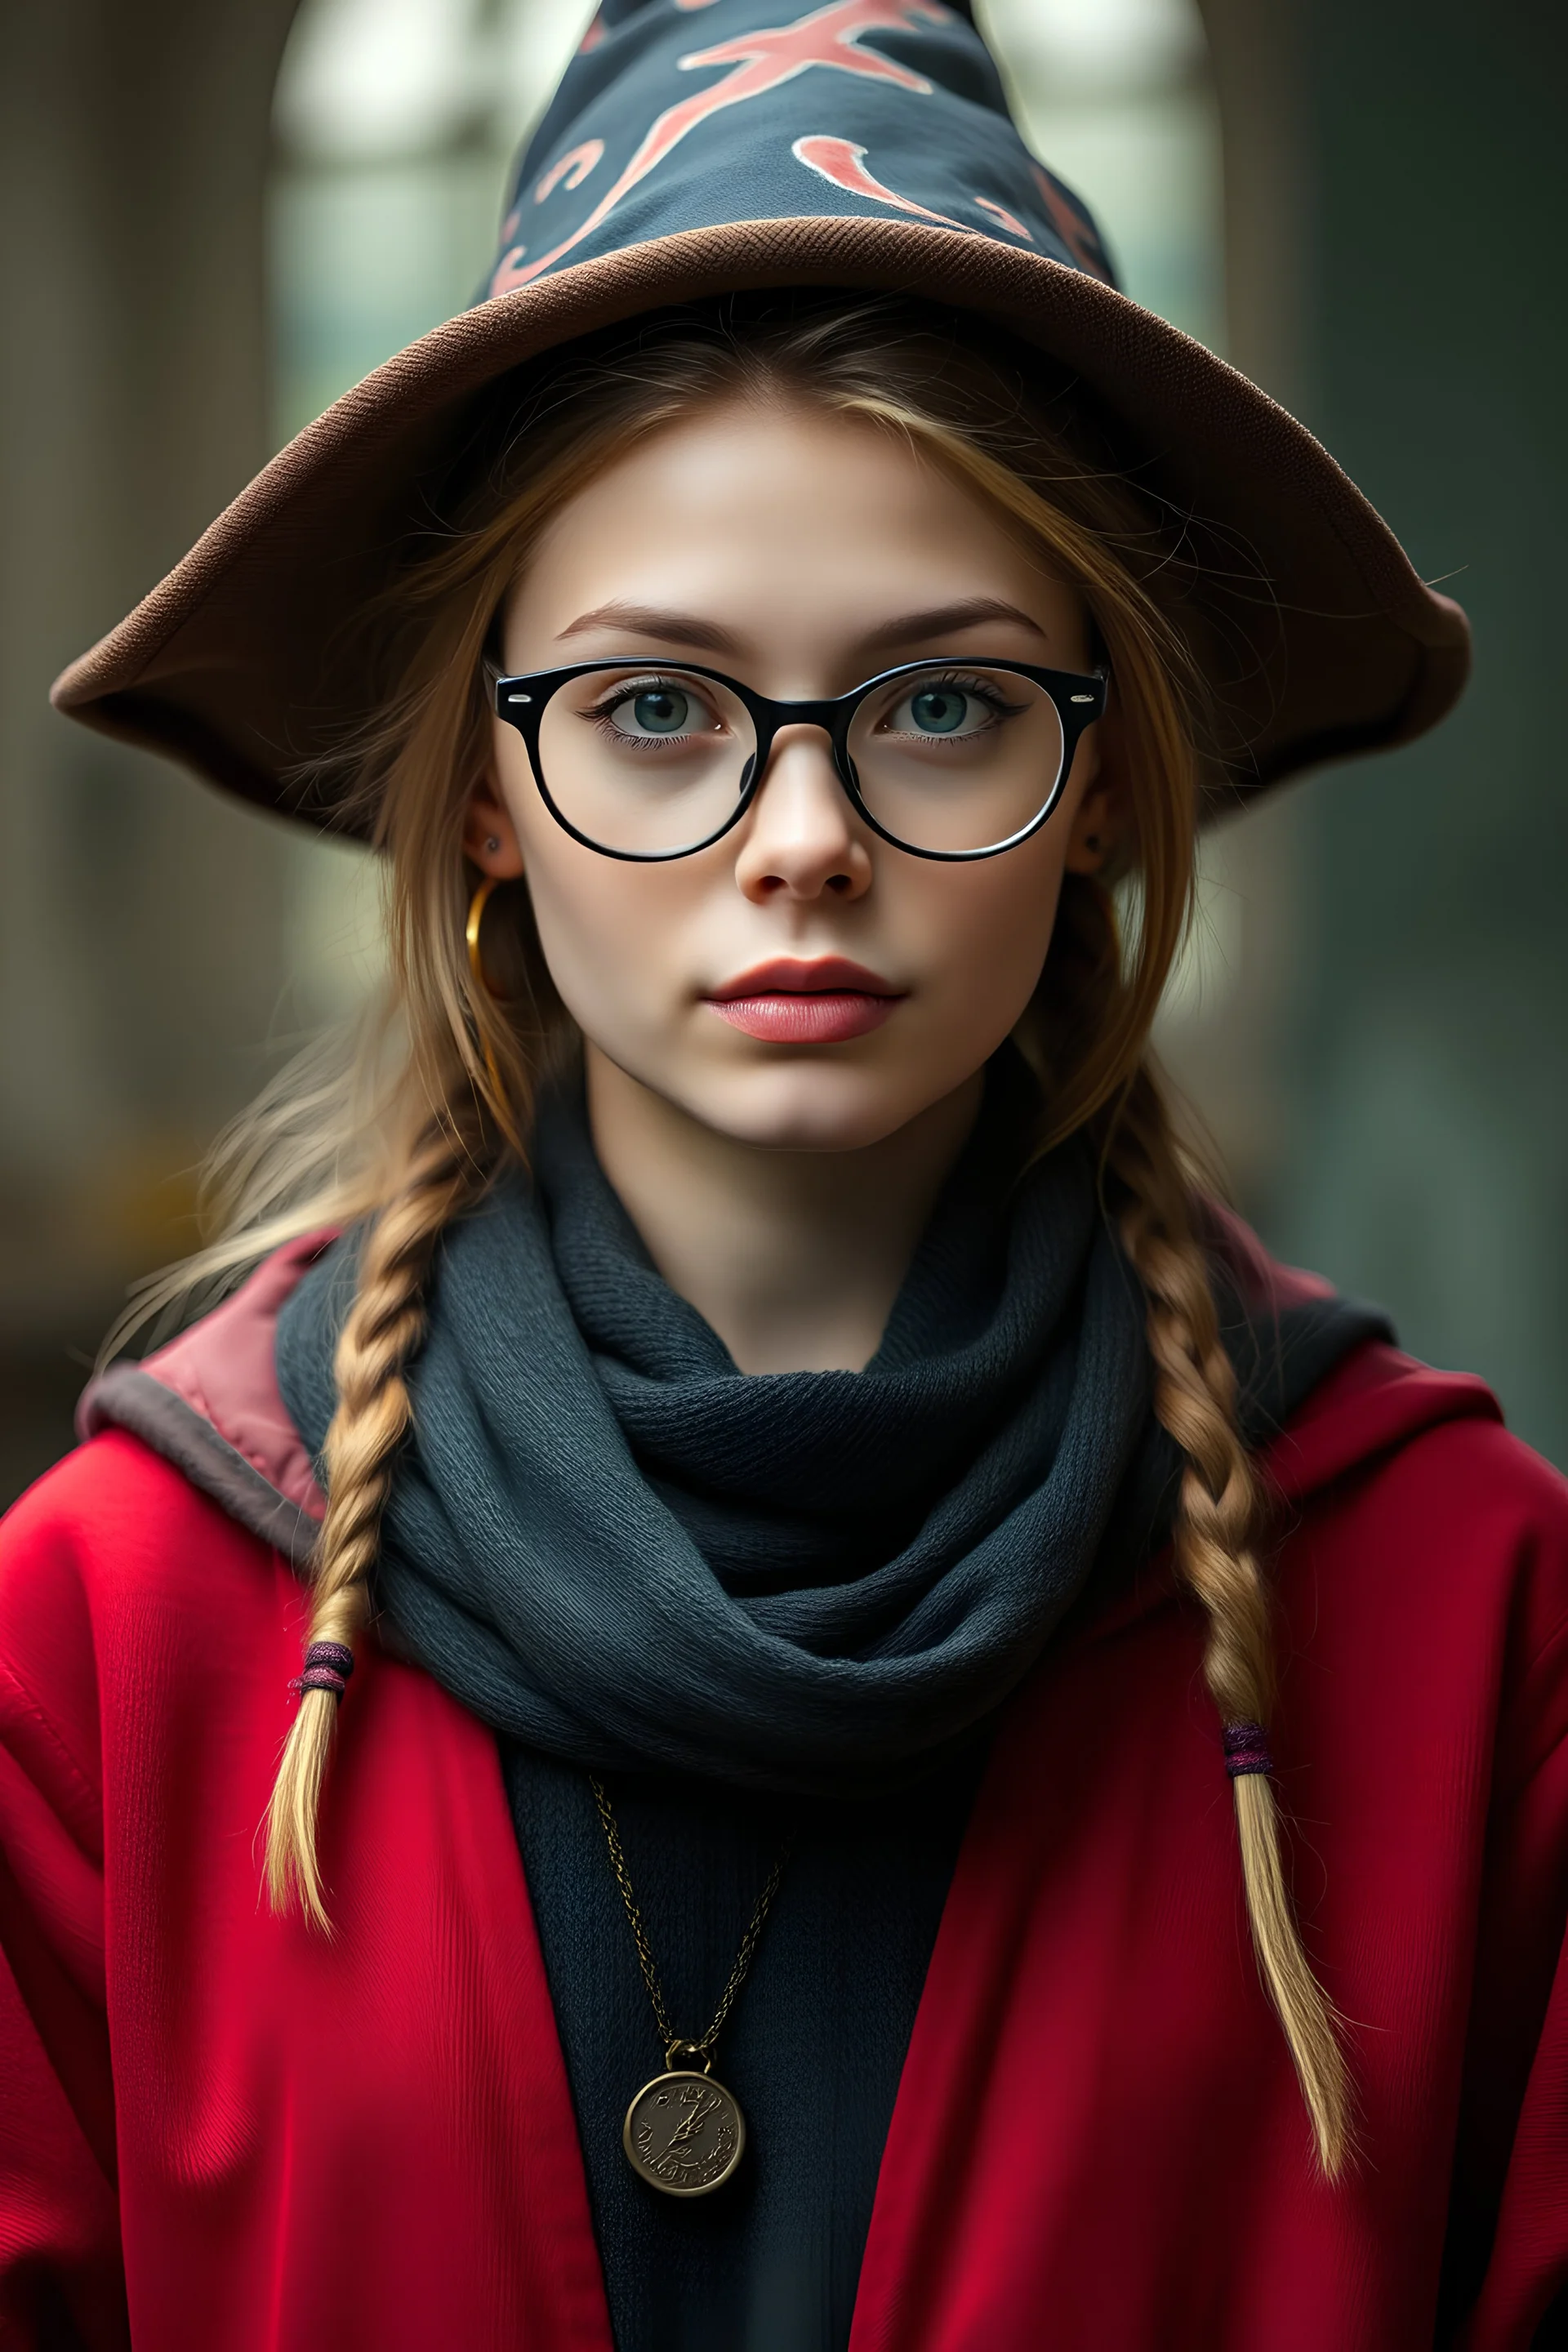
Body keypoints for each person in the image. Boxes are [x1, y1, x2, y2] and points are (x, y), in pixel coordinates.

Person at [2, 2, 1564, 2346]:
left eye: (942, 701)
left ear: (1113, 776)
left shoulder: (1456, 1610)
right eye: (656, 708)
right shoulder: (121, 1635)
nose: (806, 842)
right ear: (491, 799)